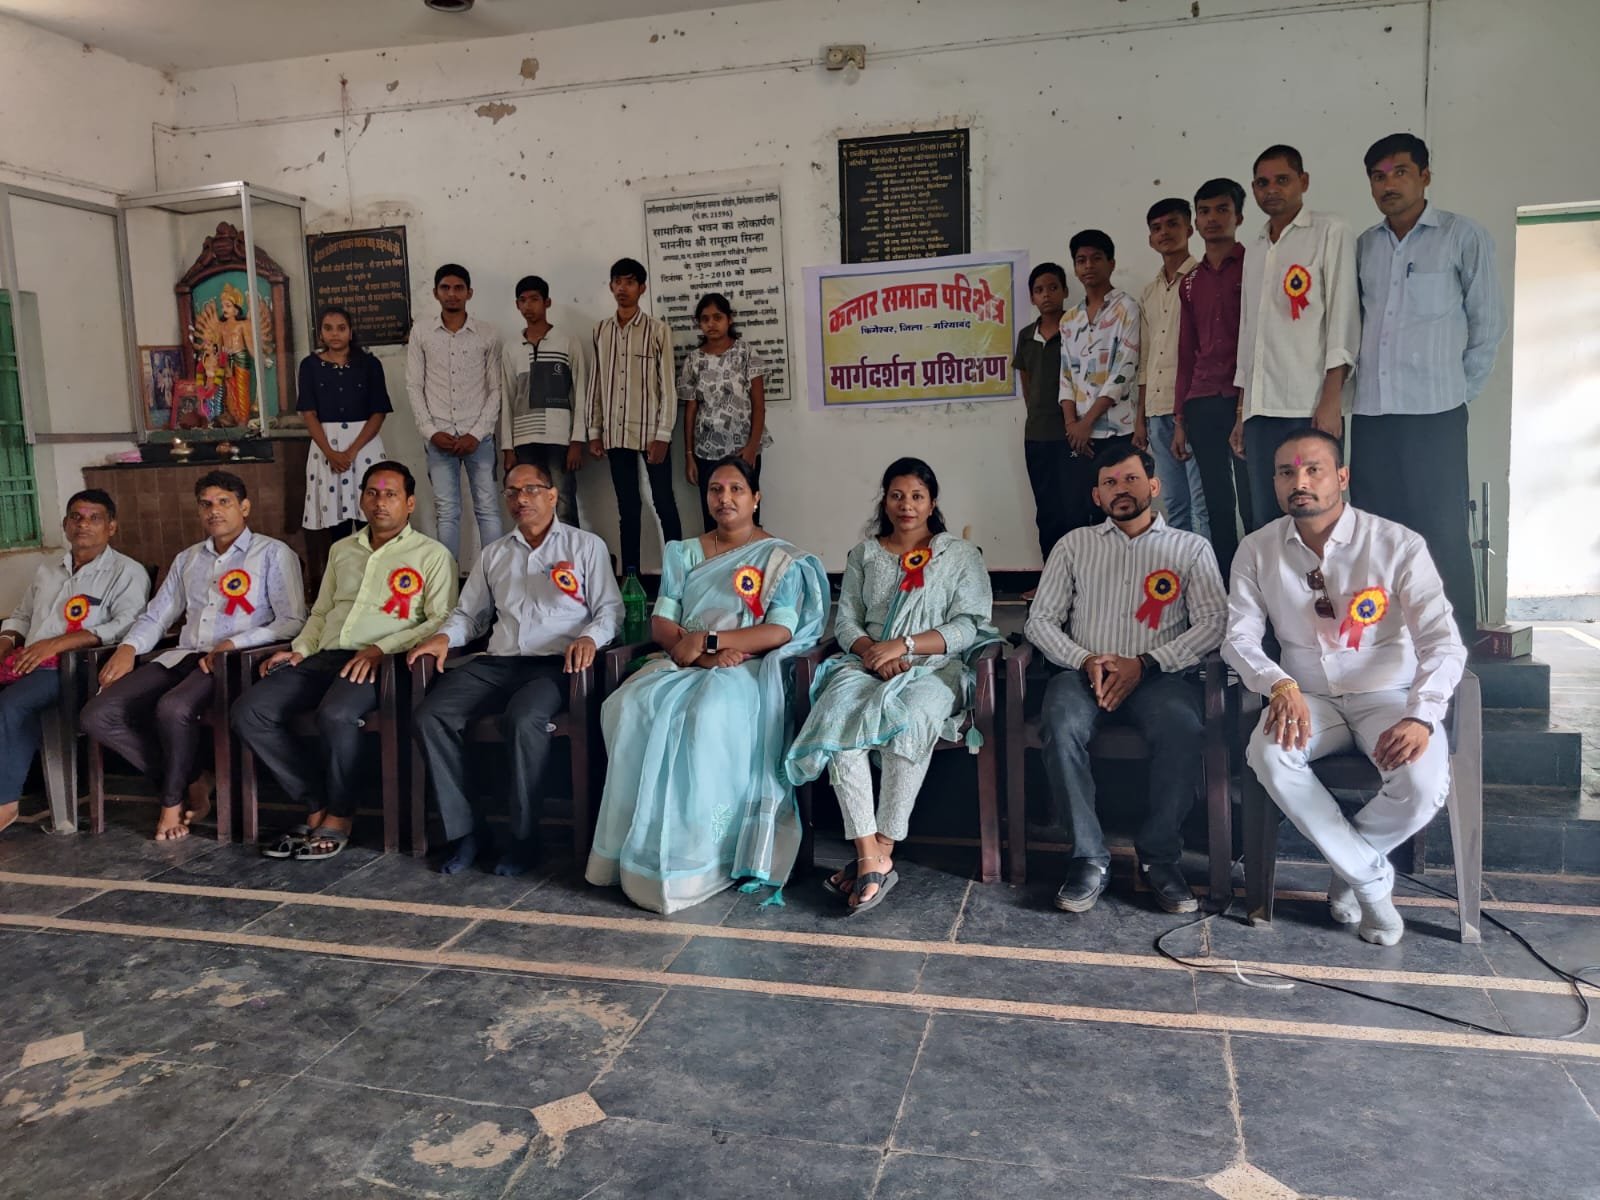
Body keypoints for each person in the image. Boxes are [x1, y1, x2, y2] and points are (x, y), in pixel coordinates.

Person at [1224, 430, 1466, 946]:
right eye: (1286, 472)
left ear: (1342, 477)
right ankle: (1371, 883)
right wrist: (1277, 683)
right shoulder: (1257, 548)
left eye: (1313, 469)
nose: (1300, 481)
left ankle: (1350, 866)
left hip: (1389, 696)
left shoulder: (1397, 544)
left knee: (1422, 784)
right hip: (1306, 696)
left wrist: (1422, 715)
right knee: (1268, 753)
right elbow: (1238, 638)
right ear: (1275, 482)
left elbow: (1442, 642)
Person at [585, 456, 827, 914]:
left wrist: (713, 642)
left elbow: (779, 631)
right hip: (684, 661)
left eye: (737, 489)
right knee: (629, 706)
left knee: (705, 715)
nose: (725, 498)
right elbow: (663, 622)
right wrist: (700, 653)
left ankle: (703, 855)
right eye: (716, 489)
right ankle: (634, 854)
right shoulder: (683, 553)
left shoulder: (781, 559)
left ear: (756, 498)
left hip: (746, 668)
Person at [784, 458, 998, 912]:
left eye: (917, 496)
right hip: (866, 665)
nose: (907, 505)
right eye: (897, 495)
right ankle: (870, 853)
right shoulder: (864, 555)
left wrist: (904, 646)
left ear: (932, 503)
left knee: (912, 719)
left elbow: (968, 625)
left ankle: (878, 853)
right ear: (884, 501)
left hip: (934, 667)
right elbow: (847, 622)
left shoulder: (959, 556)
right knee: (838, 724)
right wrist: (871, 653)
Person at [1024, 444, 1227, 914]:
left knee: (1183, 728)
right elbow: (1040, 621)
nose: (1121, 490)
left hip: (1160, 677)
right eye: (1110, 483)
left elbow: (1215, 622)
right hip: (1082, 674)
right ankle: (1088, 857)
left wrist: (1146, 662)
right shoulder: (1073, 545)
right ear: (1097, 496)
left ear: (1153, 486)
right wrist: (1085, 659)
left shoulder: (1190, 548)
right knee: (1060, 722)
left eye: (1131, 479)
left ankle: (1159, 856)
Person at [232, 462, 457, 861]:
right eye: (372, 493)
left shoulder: (432, 554)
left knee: (336, 715)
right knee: (250, 711)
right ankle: (315, 802)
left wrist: (381, 649)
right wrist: (299, 649)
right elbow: (321, 612)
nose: (380, 502)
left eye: (390, 494)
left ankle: (339, 814)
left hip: (383, 662)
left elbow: (440, 620)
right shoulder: (342, 550)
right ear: (362, 500)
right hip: (325, 655)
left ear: (410, 503)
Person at [410, 461, 622, 877]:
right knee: (431, 716)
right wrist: (444, 638)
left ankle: (525, 839)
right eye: (511, 492)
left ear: (552, 495)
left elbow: (610, 611)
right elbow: (469, 616)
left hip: (555, 665)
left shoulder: (585, 546)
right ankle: (467, 832)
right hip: (498, 662)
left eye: (531, 489)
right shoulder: (494, 553)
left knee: (524, 719)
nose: (520, 499)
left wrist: (589, 639)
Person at [83, 472, 305, 841]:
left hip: (235, 661)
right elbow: (157, 615)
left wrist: (234, 643)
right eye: (206, 504)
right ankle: (193, 778)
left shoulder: (271, 553)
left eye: (224, 502)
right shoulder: (187, 559)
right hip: (184, 654)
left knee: (173, 708)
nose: (214, 511)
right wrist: (128, 648)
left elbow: (292, 621)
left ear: (244, 507)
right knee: (98, 714)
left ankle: (170, 803)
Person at [1354, 132, 1506, 644]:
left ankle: (1454, 647)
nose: (1388, 185)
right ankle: (1385, 642)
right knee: (1376, 532)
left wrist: (1457, 392)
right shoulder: (1365, 247)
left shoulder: (1462, 236)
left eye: (1400, 172)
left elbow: (1488, 322)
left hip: (1435, 413)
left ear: (1424, 176)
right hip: (1372, 413)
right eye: (1378, 176)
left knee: (1440, 529)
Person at [0, 491, 148, 834]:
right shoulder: (48, 570)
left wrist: (57, 644)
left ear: (112, 527)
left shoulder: (126, 572)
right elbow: (22, 616)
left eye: (95, 518)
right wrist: (6, 642)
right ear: (65, 524)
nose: (84, 525)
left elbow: (126, 625)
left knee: (11, 705)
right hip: (29, 660)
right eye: (76, 517)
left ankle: (5, 802)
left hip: (77, 666)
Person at [1234, 146, 1360, 530]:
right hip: (1260, 410)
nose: (1271, 189)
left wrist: (1331, 399)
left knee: (1315, 515)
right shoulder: (1256, 248)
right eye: (1262, 183)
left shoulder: (1329, 231)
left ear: (1303, 182)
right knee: (1267, 519)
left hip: (1308, 405)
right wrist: (1242, 412)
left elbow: (1343, 317)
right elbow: (1248, 333)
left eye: (1282, 180)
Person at [1175, 177, 1254, 579]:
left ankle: (1261, 584)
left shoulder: (1257, 266)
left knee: (1254, 498)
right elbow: (1186, 353)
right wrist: (1179, 419)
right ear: (1196, 221)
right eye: (1204, 211)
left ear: (1239, 216)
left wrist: (1247, 403)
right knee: (1218, 502)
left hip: (1248, 398)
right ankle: (1226, 585)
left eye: (1222, 209)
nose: (1212, 218)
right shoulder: (1190, 282)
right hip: (1203, 401)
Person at [586, 257, 681, 576]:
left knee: (664, 503)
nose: (622, 288)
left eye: (629, 282)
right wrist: (594, 431)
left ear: (642, 288)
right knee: (628, 508)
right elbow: (596, 383)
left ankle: (678, 576)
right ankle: (631, 578)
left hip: (652, 433)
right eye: (618, 282)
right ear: (611, 286)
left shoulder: (658, 330)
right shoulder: (601, 330)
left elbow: (668, 387)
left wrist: (663, 435)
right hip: (615, 434)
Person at [407, 263, 505, 563]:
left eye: (458, 288)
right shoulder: (421, 332)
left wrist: (476, 433)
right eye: (445, 288)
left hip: (479, 438)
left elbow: (496, 389)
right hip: (438, 437)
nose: (452, 294)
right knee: (446, 512)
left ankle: (494, 580)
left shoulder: (487, 333)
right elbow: (414, 385)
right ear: (435, 293)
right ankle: (447, 584)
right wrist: (430, 431)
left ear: (469, 293)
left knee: (488, 510)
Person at [299, 305, 392, 589]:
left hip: (364, 447)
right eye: (328, 328)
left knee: (370, 514)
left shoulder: (369, 364)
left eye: (341, 328)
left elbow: (379, 412)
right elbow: (308, 413)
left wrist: (351, 452)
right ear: (320, 333)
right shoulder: (310, 366)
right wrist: (331, 452)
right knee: (337, 522)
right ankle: (343, 587)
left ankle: (373, 583)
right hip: (326, 447)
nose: (335, 334)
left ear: (351, 332)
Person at [1058, 230, 1142, 535]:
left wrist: (1086, 423)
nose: (1088, 266)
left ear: (1111, 263)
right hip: (1080, 437)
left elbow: (1123, 372)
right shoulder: (1070, 319)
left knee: (1122, 506)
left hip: (1117, 430)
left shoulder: (1127, 308)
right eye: (1081, 260)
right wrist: (1072, 425)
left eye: (1096, 258)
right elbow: (1066, 376)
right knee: (1082, 510)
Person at [1137, 198, 1209, 538]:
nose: (1164, 232)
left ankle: (1209, 569)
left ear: (1189, 229)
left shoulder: (1203, 279)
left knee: (1202, 502)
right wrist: (1141, 418)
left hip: (1193, 406)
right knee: (1174, 503)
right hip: (1156, 410)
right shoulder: (1149, 293)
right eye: (1157, 228)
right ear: (1150, 239)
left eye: (1172, 224)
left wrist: (1187, 413)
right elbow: (1145, 359)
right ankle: (1180, 569)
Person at [500, 274, 588, 528]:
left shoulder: (567, 342)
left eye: (535, 299)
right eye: (523, 300)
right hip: (524, 440)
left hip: (559, 439)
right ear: (517, 305)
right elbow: (507, 398)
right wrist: (508, 448)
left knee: (563, 501)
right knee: (530, 505)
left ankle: (568, 554)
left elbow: (580, 393)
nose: (529, 306)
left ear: (547, 302)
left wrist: (576, 440)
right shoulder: (511, 348)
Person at [680, 293, 769, 531]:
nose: (711, 323)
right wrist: (689, 454)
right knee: (714, 514)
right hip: (706, 453)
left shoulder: (746, 354)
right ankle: (717, 555)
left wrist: (752, 447)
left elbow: (759, 404)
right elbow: (690, 409)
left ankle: (750, 557)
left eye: (717, 317)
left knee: (746, 513)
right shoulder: (693, 360)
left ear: (729, 319)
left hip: (742, 450)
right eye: (705, 319)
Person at [1013, 262, 1071, 565]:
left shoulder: (1077, 328)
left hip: (1072, 433)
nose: (1046, 294)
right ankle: (1052, 572)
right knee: (1046, 509)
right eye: (1039, 290)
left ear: (1065, 291)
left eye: (1052, 288)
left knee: (1074, 506)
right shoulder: (1026, 336)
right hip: (1037, 434)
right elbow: (1027, 383)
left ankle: (1080, 573)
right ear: (1032, 297)